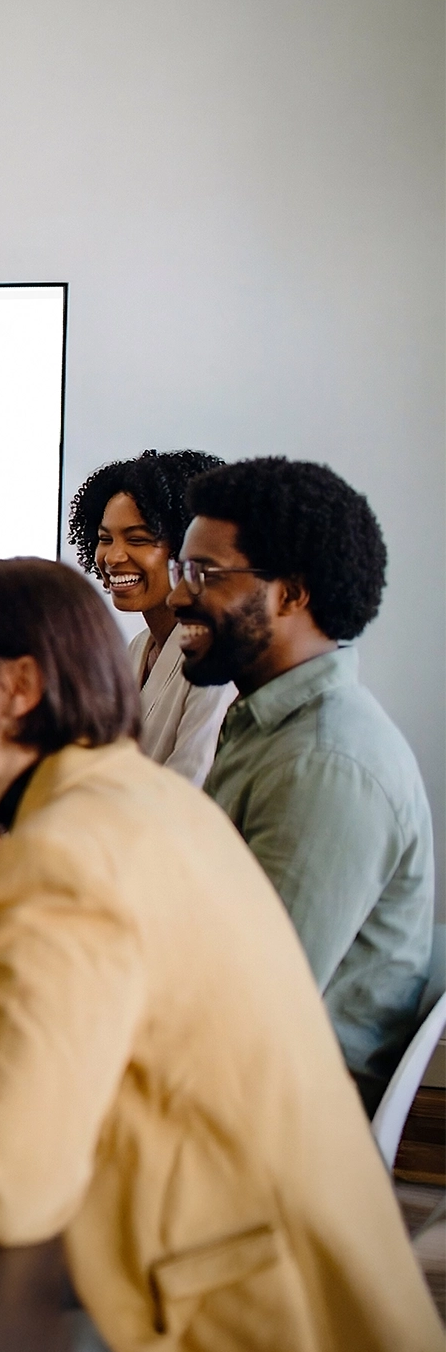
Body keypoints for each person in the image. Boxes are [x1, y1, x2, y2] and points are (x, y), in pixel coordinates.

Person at [0, 557, 446, 1352]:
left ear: (19, 685)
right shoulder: (132, 797)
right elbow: (126, 1010)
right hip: (303, 1293)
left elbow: (3, 1185)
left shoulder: (56, 853)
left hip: (240, 1339)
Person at [168, 457, 434, 1110]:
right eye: (182, 569)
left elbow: (240, 1013)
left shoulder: (323, 765)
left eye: (205, 573)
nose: (176, 595)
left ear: (291, 593)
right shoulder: (267, 723)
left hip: (270, 1116)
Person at [67, 448, 234, 786]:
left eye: (138, 540)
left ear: (189, 549)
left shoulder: (217, 663)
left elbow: (187, 789)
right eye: (104, 539)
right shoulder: (137, 649)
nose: (113, 556)